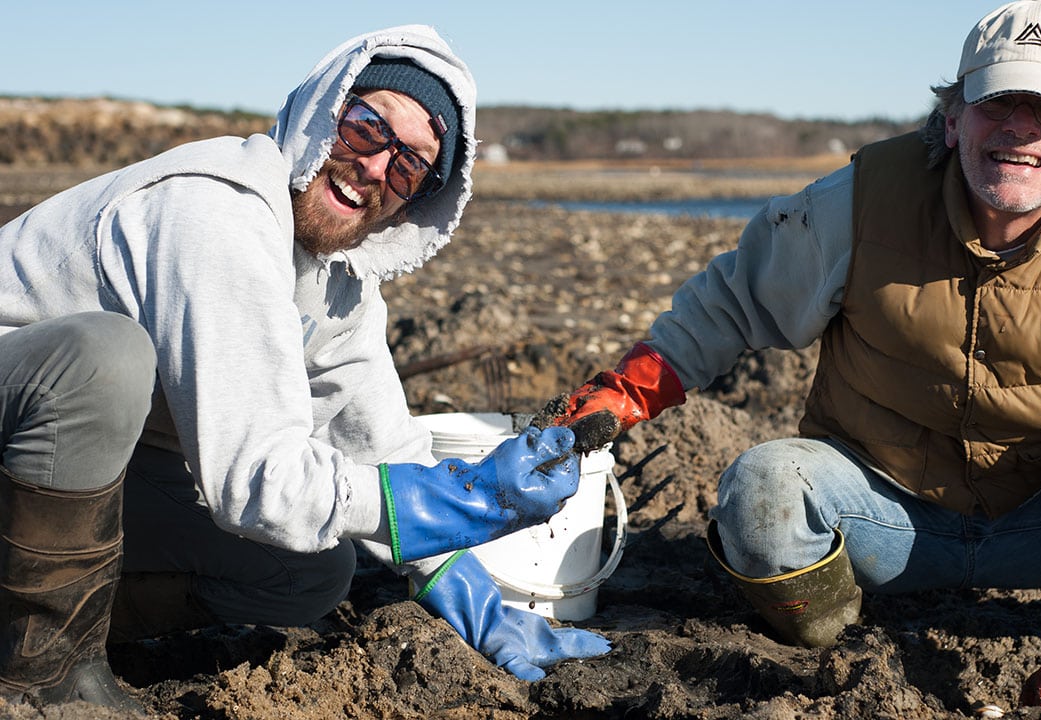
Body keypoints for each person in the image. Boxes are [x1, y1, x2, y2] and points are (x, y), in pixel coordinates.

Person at [536, 1, 1041, 715]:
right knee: (763, 492)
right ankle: (833, 629)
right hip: (882, 521)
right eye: (997, 102)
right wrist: (627, 391)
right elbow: (736, 300)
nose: (1019, 127)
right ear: (953, 118)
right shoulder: (860, 203)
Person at [0, 25, 609, 712]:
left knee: (308, 571)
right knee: (102, 359)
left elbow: (378, 442)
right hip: (18, 418)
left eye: (409, 165)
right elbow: (255, 478)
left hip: (62, 478)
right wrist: (457, 500)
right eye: (367, 128)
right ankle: (43, 672)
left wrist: (472, 594)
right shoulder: (217, 209)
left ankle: (24, 621)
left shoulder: (337, 284)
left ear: (420, 199)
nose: (375, 168)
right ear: (323, 112)